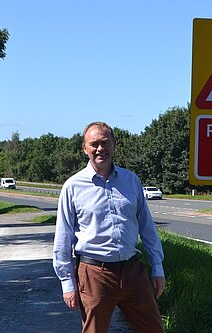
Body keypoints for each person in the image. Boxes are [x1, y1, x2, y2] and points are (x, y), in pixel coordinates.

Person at [52, 121, 165, 333]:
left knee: (153, 329)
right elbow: (63, 238)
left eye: (105, 142)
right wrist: (67, 283)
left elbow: (147, 228)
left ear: (114, 144)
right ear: (85, 148)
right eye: (94, 144)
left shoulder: (131, 181)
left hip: (133, 272)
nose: (100, 148)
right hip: (95, 274)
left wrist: (157, 268)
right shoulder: (73, 187)